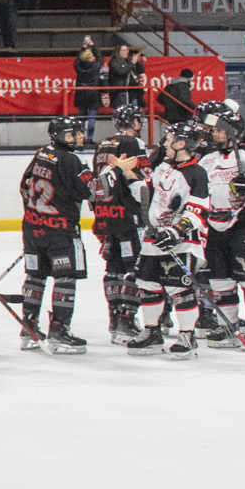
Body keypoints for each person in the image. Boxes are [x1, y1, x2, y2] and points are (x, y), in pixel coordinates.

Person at [124, 122, 211, 355]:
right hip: (154, 239)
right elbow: (149, 195)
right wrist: (128, 176)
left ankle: (187, 336)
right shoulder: (163, 166)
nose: (165, 141)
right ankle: (152, 332)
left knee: (179, 288)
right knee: (148, 285)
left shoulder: (197, 173)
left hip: (183, 241)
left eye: (170, 137)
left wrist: (175, 231)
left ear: (181, 143)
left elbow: (199, 211)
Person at [195, 107, 245, 345]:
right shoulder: (207, 160)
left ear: (233, 132)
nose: (214, 134)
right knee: (220, 280)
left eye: (219, 130)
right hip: (214, 227)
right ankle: (227, 325)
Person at [15, 116, 91, 354]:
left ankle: (29, 328)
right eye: (74, 133)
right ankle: (59, 330)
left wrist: (34, 215)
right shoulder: (72, 160)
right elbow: (91, 191)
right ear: (61, 135)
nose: (80, 136)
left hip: (33, 228)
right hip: (61, 231)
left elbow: (24, 186)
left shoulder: (41, 153)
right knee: (65, 278)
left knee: (35, 277)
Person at [88, 132, 149, 346]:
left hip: (106, 214)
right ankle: (127, 320)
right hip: (128, 215)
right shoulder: (133, 144)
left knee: (113, 268)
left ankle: (115, 321)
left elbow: (97, 184)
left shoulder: (102, 144)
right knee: (136, 268)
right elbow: (142, 180)